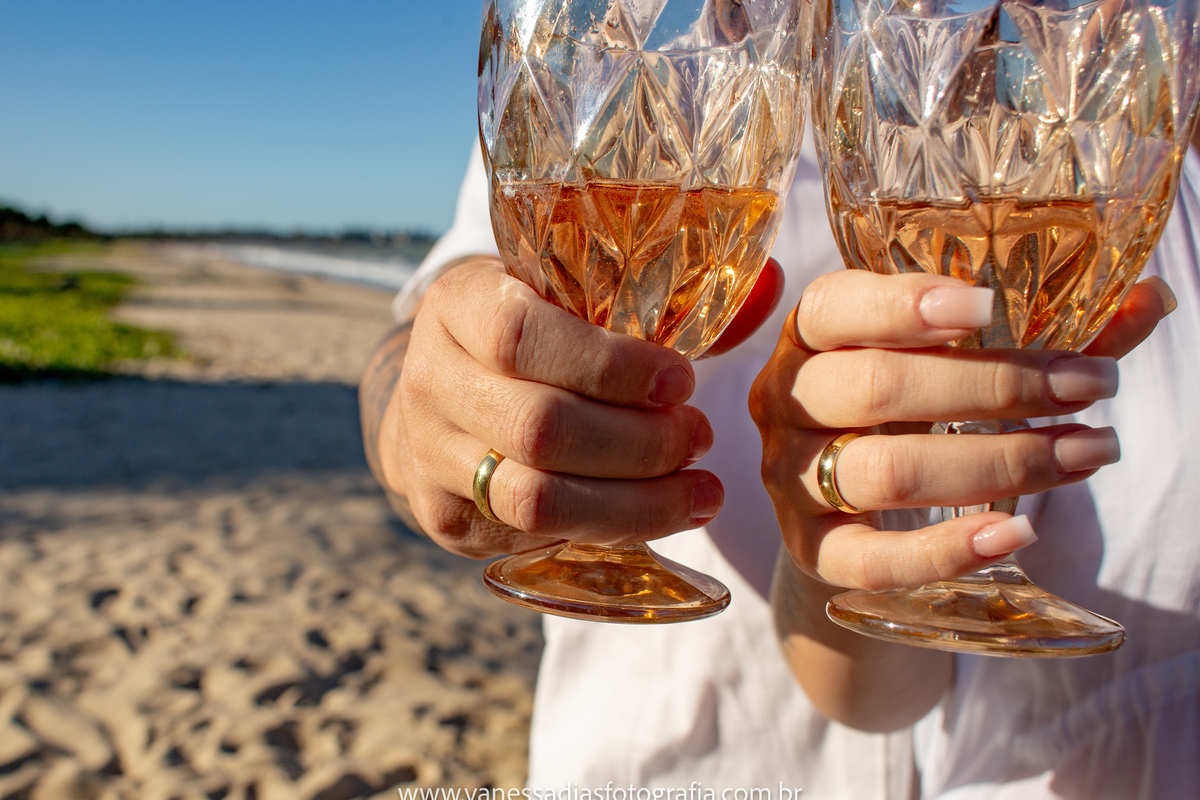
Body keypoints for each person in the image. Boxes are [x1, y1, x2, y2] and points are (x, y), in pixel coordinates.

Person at [359, 121, 1199, 796]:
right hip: (659, 769)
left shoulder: (1143, 87)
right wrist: (427, 426)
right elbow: (441, 320)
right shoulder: (624, 48)